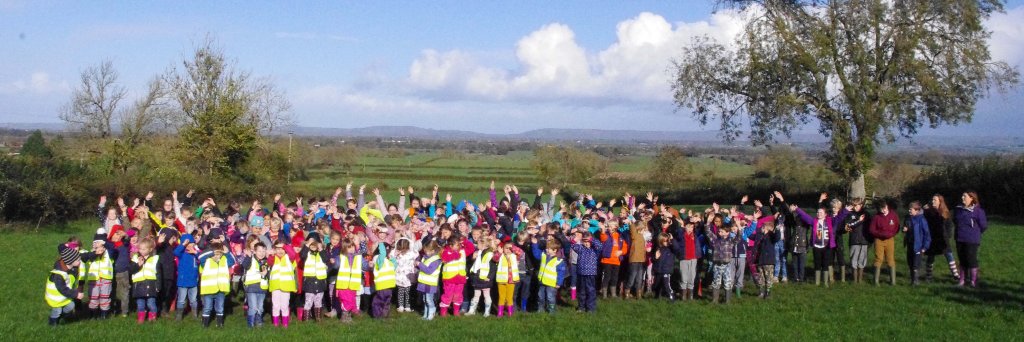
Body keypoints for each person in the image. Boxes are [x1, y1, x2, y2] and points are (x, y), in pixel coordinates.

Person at [792, 205, 834, 287]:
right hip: (817, 247)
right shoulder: (814, 221)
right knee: (817, 264)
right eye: (817, 212)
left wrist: (845, 210)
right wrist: (797, 209)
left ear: (825, 214)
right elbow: (805, 216)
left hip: (827, 247)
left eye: (821, 212)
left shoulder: (829, 221)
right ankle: (817, 282)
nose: (818, 214)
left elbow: (839, 218)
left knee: (825, 264)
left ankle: (825, 282)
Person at [954, 191, 987, 287]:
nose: (962, 198)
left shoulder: (978, 211)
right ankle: (962, 281)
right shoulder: (958, 209)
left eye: (965, 196)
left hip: (972, 240)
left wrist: (974, 233)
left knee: (971, 260)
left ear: (971, 198)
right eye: (962, 196)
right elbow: (955, 221)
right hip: (959, 238)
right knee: (962, 260)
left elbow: (983, 225)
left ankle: (973, 281)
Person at [923, 194, 960, 282]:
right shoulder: (928, 212)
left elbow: (949, 226)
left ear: (940, 202)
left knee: (949, 254)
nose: (933, 201)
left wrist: (947, 235)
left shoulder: (945, 213)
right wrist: (923, 210)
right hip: (931, 238)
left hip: (943, 238)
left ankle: (955, 274)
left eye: (935, 200)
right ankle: (929, 276)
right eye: (932, 200)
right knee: (930, 257)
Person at [197, 241, 234, 328]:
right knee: (207, 307)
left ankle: (219, 323)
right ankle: (205, 324)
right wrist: (211, 252)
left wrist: (227, 252)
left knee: (220, 307)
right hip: (208, 289)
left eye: (220, 253)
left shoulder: (225, 259)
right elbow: (200, 256)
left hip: (221, 289)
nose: (218, 255)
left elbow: (232, 261)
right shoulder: (206, 260)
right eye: (216, 253)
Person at [82, 230, 116, 319]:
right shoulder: (91, 253)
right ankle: (93, 314)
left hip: (106, 278)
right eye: (96, 243)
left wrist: (104, 243)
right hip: (94, 279)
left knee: (105, 297)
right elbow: (84, 257)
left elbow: (112, 247)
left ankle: (104, 314)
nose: (98, 245)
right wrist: (95, 252)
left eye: (100, 243)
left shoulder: (109, 253)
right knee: (93, 297)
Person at [46, 244, 84, 326]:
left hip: (63, 296)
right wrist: (76, 294)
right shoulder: (58, 275)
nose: (80, 261)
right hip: (55, 298)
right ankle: (53, 323)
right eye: (78, 260)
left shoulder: (72, 268)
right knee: (57, 311)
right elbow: (62, 288)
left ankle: (63, 317)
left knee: (71, 305)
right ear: (70, 261)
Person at [128, 237, 161, 324]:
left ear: (150, 249)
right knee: (140, 304)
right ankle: (141, 318)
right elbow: (131, 270)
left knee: (151, 303)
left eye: (144, 249)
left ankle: (152, 317)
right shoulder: (135, 257)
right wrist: (138, 265)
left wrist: (158, 286)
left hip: (151, 284)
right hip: (138, 284)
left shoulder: (155, 258)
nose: (141, 251)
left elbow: (158, 274)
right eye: (140, 248)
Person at [869, 201, 900, 286]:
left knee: (890, 259)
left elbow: (897, 227)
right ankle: (876, 281)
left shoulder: (893, 215)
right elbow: (872, 230)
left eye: (885, 208)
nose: (884, 210)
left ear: (887, 207)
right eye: (882, 209)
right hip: (879, 240)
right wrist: (880, 234)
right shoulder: (876, 217)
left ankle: (893, 281)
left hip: (890, 240)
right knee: (878, 259)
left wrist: (891, 234)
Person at [532, 237, 566, 314]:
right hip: (542, 281)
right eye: (547, 248)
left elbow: (561, 273)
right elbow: (536, 254)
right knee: (540, 296)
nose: (546, 250)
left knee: (550, 297)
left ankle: (551, 310)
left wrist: (558, 283)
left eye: (549, 249)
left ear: (555, 250)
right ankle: (540, 309)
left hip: (551, 283)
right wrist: (534, 244)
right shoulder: (543, 255)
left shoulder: (559, 261)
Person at [570, 230, 602, 312]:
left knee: (590, 291)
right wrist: (576, 239)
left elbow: (599, 245)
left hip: (590, 274)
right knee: (581, 292)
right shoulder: (581, 248)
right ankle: (581, 307)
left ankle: (591, 308)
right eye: (584, 241)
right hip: (581, 273)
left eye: (588, 241)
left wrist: (590, 239)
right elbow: (573, 245)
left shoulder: (595, 250)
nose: (586, 243)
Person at [300, 236, 330, 322]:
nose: (313, 247)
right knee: (308, 301)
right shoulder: (307, 254)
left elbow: (326, 259)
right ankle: (306, 318)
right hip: (310, 281)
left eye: (315, 245)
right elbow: (302, 255)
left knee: (318, 300)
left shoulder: (321, 253)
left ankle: (318, 317)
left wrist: (320, 249)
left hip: (320, 281)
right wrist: (308, 244)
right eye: (311, 246)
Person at [268, 239, 297, 327]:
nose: (280, 251)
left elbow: (293, 254)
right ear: (274, 249)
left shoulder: (289, 258)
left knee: (284, 305)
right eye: (278, 248)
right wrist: (272, 254)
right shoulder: (273, 258)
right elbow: (269, 262)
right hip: (275, 286)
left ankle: (285, 323)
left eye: (282, 248)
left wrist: (285, 246)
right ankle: (275, 323)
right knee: (276, 305)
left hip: (286, 286)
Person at [240, 242, 269, 328]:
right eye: (259, 251)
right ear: (255, 251)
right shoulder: (250, 259)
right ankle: (250, 323)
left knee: (260, 306)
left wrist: (266, 273)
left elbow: (269, 274)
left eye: (264, 251)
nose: (262, 253)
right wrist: (248, 256)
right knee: (253, 306)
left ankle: (258, 320)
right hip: (251, 287)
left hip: (262, 287)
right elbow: (245, 265)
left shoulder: (266, 261)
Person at [903, 201, 931, 286]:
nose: (909, 211)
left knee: (916, 263)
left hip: (918, 245)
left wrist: (925, 247)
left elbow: (927, 235)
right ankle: (912, 280)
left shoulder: (922, 220)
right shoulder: (908, 218)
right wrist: (904, 229)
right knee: (910, 262)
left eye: (911, 209)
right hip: (910, 244)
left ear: (917, 210)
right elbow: (905, 227)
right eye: (909, 209)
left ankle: (916, 280)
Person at [708, 223, 737, 304]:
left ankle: (727, 301)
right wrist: (707, 223)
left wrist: (740, 228)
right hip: (717, 265)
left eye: (721, 231)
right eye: (719, 231)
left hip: (726, 265)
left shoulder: (730, 240)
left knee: (728, 282)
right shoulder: (716, 240)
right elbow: (708, 233)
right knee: (716, 282)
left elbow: (738, 238)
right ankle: (714, 300)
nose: (719, 233)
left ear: (727, 232)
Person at [172, 234, 200, 320]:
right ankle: (179, 315)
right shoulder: (182, 254)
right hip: (183, 281)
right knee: (181, 300)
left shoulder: (195, 254)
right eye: (187, 244)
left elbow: (202, 258)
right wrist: (183, 245)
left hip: (193, 281)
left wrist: (195, 252)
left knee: (193, 300)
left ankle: (194, 315)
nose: (189, 245)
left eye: (191, 243)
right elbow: (175, 252)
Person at [334, 238, 362, 323]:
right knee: (346, 301)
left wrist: (369, 265)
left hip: (353, 284)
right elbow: (336, 265)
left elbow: (365, 265)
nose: (352, 249)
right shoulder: (340, 257)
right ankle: (344, 317)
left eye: (352, 246)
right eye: (349, 247)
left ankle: (348, 317)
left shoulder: (357, 257)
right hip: (343, 284)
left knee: (351, 300)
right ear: (344, 248)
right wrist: (333, 262)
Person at [467, 236, 495, 316]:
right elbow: (474, 265)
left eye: (478, 243)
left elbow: (493, 267)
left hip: (485, 278)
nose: (476, 244)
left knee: (486, 295)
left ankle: (487, 311)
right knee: (476, 294)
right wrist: (473, 258)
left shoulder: (490, 255)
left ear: (484, 245)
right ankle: (472, 310)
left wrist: (489, 277)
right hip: (477, 277)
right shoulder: (478, 253)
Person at [752, 221, 780, 298]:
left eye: (762, 227)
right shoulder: (761, 236)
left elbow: (777, 237)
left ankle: (768, 292)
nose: (760, 228)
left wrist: (777, 229)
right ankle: (761, 292)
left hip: (768, 261)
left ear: (765, 228)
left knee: (768, 278)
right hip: (761, 261)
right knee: (761, 278)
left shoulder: (771, 236)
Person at [390, 237, 419, 314]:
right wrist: (395, 254)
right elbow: (391, 257)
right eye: (401, 248)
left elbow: (416, 251)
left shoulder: (411, 253)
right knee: (400, 291)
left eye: (404, 249)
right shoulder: (395, 253)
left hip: (408, 276)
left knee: (408, 292)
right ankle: (401, 306)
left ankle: (407, 306)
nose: (403, 250)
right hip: (399, 275)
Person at [495, 241, 523, 317]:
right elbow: (495, 258)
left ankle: (510, 312)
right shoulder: (500, 256)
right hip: (501, 280)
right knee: (501, 297)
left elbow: (520, 252)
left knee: (509, 297)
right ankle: (500, 313)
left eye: (510, 248)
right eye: (506, 248)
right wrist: (499, 252)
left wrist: (512, 248)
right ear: (503, 249)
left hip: (511, 281)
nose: (508, 250)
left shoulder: (515, 256)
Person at [845, 198, 870, 283]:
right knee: (853, 260)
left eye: (857, 205)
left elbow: (870, 227)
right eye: (854, 205)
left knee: (862, 261)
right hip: (854, 240)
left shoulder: (867, 214)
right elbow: (849, 225)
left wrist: (870, 239)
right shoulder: (849, 214)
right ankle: (854, 280)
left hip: (864, 240)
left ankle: (860, 280)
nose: (855, 207)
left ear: (861, 205)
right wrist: (859, 220)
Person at [652, 234, 681, 301]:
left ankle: (671, 296)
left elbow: (677, 248)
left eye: (667, 241)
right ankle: (657, 295)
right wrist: (655, 257)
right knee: (657, 284)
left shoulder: (671, 249)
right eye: (665, 241)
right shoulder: (658, 248)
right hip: (658, 270)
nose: (667, 242)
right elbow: (653, 260)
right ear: (661, 241)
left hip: (666, 270)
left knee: (666, 285)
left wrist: (672, 239)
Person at [417, 241, 442, 320]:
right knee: (425, 300)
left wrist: (419, 264)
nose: (425, 252)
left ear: (433, 251)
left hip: (430, 284)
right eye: (425, 250)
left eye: (427, 251)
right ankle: (426, 314)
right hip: (424, 282)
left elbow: (429, 271)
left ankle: (431, 313)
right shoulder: (425, 257)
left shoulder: (436, 260)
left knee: (429, 299)